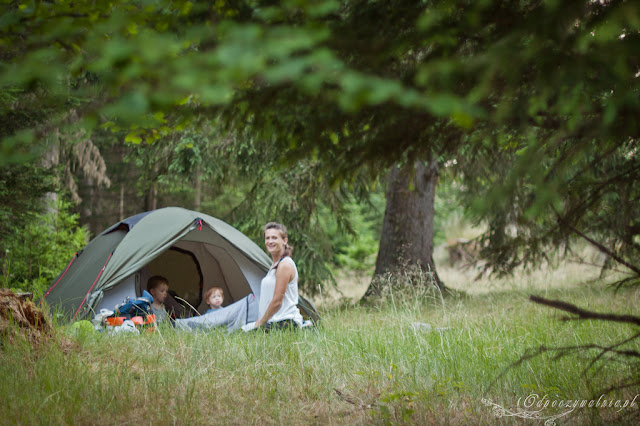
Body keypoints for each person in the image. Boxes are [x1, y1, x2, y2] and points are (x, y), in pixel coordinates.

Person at [254, 222, 303, 331]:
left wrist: (260, 324)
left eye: (274, 238)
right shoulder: (275, 265)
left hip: (286, 322)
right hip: (273, 321)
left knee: (247, 338)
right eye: (267, 238)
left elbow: (277, 301)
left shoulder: (284, 265)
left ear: (284, 241)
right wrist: (259, 321)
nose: (270, 241)